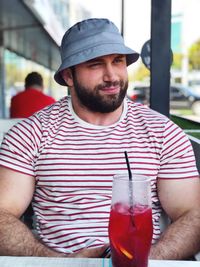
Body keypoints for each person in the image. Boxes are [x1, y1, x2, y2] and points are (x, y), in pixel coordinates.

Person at [0, 18, 200, 259]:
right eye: (95, 65)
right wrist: (61, 263)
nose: (111, 76)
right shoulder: (31, 134)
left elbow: (192, 213)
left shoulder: (162, 132)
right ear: (69, 76)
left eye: (118, 61)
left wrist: (147, 261)